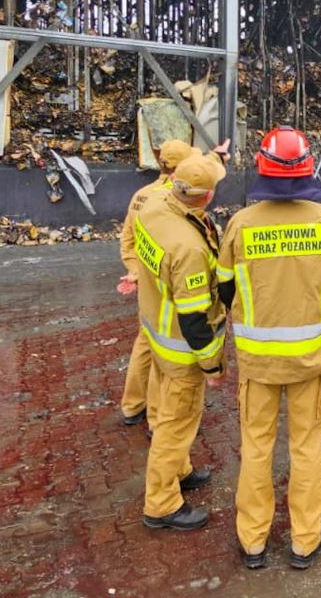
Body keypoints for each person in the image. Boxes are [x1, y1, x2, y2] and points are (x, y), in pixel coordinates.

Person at [218, 126, 321, 570]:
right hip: (311, 361)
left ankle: (253, 541)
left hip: (259, 363)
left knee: (256, 448)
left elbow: (224, 291)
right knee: (306, 448)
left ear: (261, 168)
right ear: (307, 168)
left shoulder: (240, 224)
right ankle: (304, 540)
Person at [134, 153, 229, 531]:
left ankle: (181, 470)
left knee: (171, 417)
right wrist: (212, 365)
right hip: (180, 347)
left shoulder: (155, 211)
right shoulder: (187, 249)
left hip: (157, 331)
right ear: (206, 197)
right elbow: (194, 319)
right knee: (175, 426)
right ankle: (161, 503)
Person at [117, 139, 199, 431]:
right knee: (168, 352)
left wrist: (136, 271)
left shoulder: (141, 195)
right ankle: (158, 418)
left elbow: (127, 240)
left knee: (145, 342)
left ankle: (132, 405)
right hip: (170, 286)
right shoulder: (175, 200)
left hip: (148, 283)